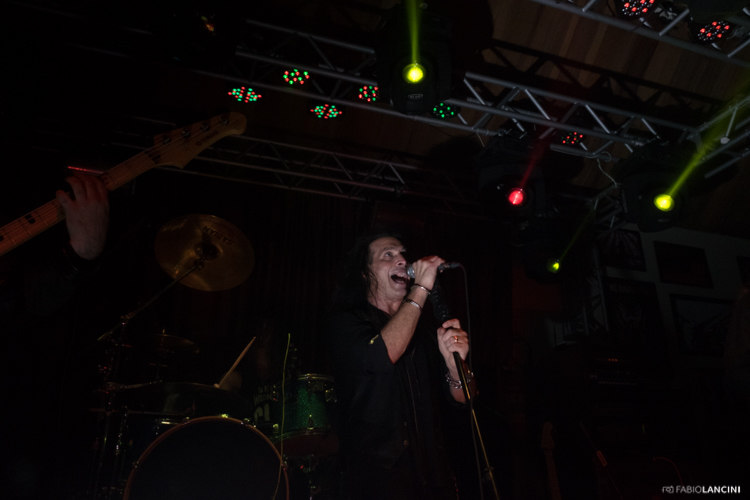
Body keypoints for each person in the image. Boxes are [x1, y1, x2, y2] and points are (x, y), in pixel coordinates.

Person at [325, 231, 474, 500]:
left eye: (403, 254)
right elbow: (379, 358)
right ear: (365, 273)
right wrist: (421, 288)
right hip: (378, 479)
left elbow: (466, 397)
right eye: (388, 255)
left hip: (433, 475)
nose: (403, 260)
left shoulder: (424, 332)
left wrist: (456, 366)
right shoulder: (348, 322)